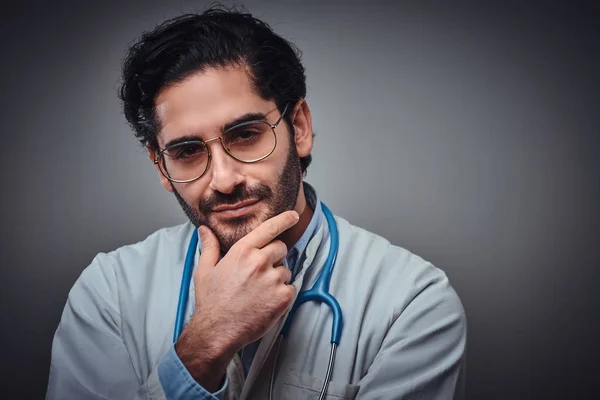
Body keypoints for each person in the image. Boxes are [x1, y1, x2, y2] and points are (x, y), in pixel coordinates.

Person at [46, 5, 467, 400]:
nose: (224, 180)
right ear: (160, 165)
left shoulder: (412, 303)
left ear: (298, 127)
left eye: (245, 135)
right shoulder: (109, 293)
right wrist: (204, 345)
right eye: (188, 150)